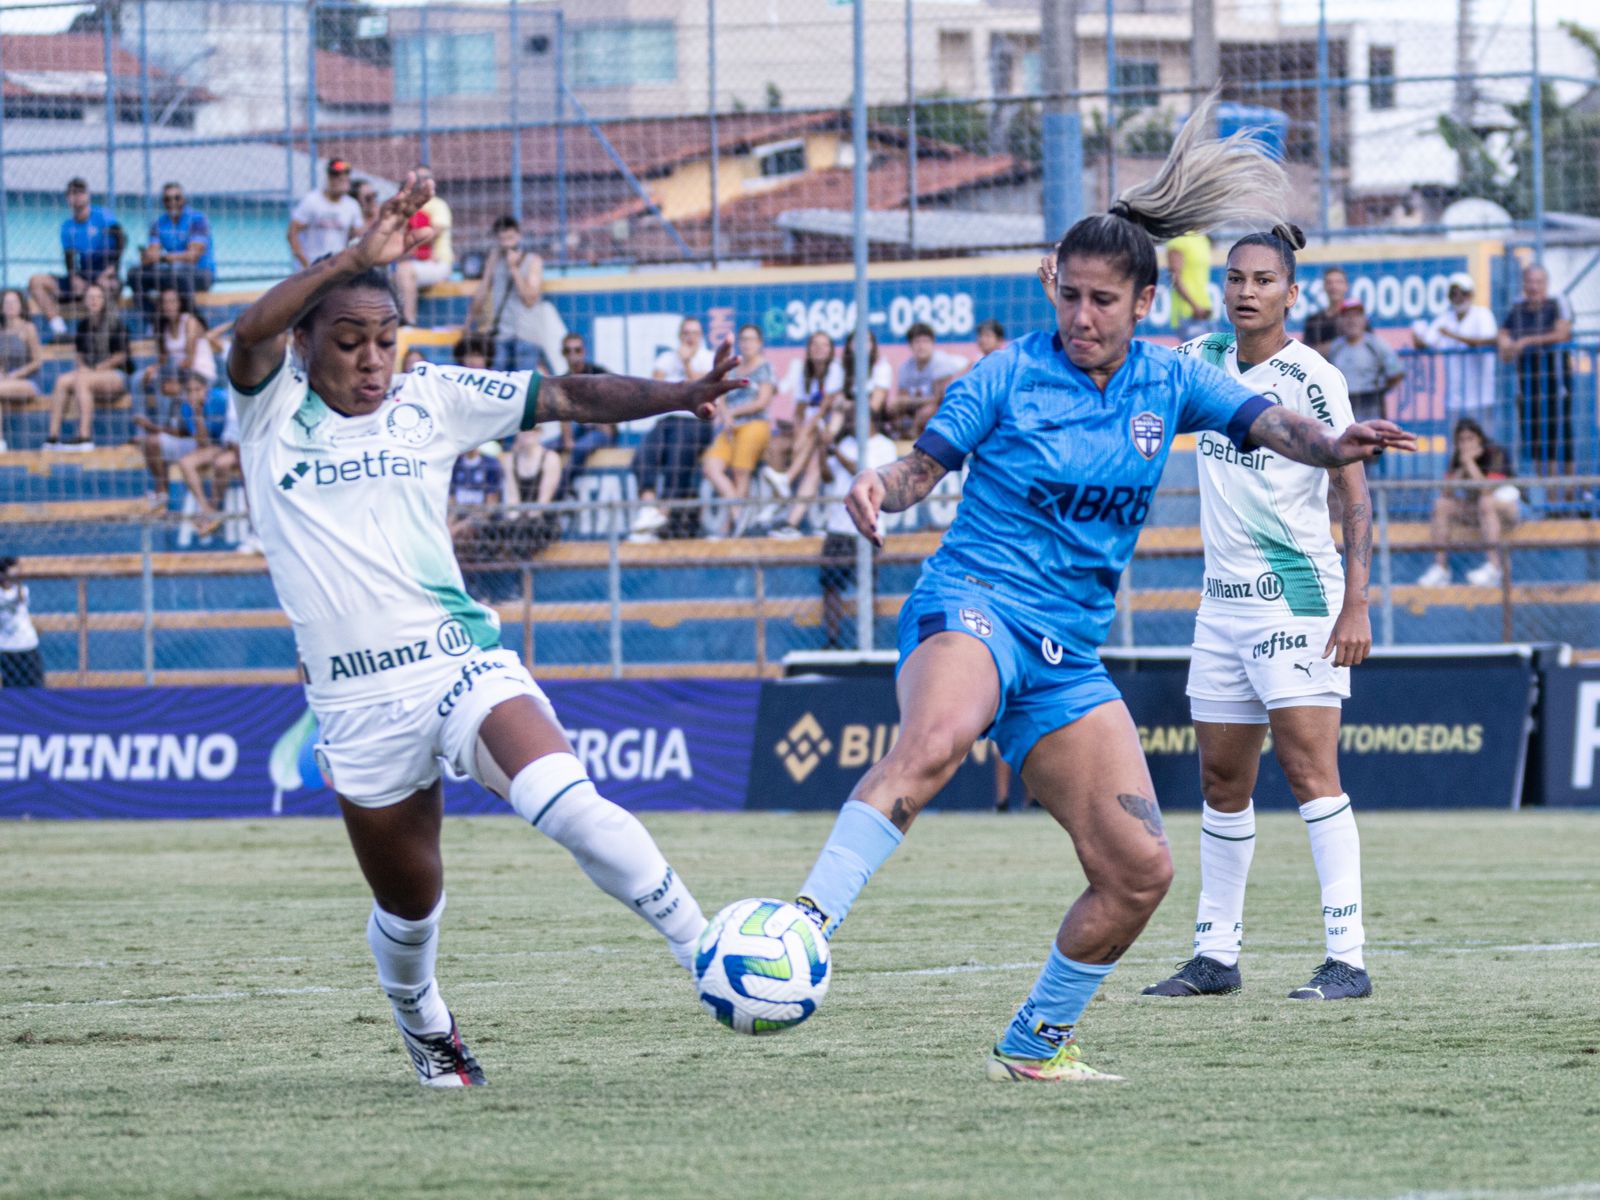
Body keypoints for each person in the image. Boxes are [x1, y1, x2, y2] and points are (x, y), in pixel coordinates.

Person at [784, 98, 1413, 1084]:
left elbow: (1273, 424)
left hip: (1063, 657)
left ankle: (1034, 1045)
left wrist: (1332, 443)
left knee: (1137, 873)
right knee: (936, 739)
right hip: (973, 605)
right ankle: (801, 926)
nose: (1080, 317)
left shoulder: (1169, 383)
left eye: (1101, 301)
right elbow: (923, 465)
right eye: (1068, 296)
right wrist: (882, 485)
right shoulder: (1002, 376)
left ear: (1144, 304)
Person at [224, 172, 745, 1087]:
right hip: (356, 705)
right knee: (412, 905)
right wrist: (352, 258)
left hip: (458, 664)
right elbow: (247, 333)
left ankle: (711, 956)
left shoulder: (433, 398)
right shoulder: (269, 417)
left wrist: (678, 391)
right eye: (348, 342)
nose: (373, 359)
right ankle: (423, 1021)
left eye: (386, 339)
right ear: (307, 346)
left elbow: (570, 397)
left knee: (568, 802)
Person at [1141, 225, 1377, 1005]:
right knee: (1221, 782)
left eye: (1264, 280)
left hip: (1299, 599)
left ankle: (1347, 957)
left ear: (1291, 293)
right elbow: (1122, 377)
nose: (1245, 291)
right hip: (1222, 607)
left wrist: (1356, 602)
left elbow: (1353, 492)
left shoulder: (1314, 378)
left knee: (1311, 774)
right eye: (1236, 277)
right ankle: (1216, 955)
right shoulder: (1197, 362)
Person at [630, 317, 715, 540]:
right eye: (686, 332)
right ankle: (649, 511)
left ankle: (661, 515)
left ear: (701, 336)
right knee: (643, 456)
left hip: (695, 420)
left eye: (695, 333)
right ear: (679, 336)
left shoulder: (708, 358)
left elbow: (703, 391)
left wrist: (687, 365)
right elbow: (655, 390)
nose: (690, 337)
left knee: (677, 460)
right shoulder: (667, 358)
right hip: (667, 419)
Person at [817, 415, 897, 649]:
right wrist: (823, 449)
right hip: (839, 527)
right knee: (830, 586)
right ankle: (832, 640)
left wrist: (835, 451)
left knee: (868, 588)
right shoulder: (845, 444)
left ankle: (867, 641)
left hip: (869, 526)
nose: (851, 423)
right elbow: (827, 476)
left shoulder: (884, 446)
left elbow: (864, 473)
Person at [1498, 263, 1574, 498]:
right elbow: (1503, 337)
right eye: (1529, 282)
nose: (1533, 287)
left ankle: (1570, 500)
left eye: (1538, 282)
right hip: (1528, 388)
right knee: (1537, 446)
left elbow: (1563, 333)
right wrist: (1506, 345)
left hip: (1555, 384)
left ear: (1546, 284)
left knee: (1561, 442)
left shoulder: (1556, 304)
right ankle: (1550, 502)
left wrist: (1527, 341)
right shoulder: (1517, 309)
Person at [1417, 418, 1519, 589]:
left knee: (1486, 501)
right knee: (1441, 505)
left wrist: (1471, 463)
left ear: (1480, 438)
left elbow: (1487, 490)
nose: (1466, 444)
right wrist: (1463, 465)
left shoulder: (1495, 453)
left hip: (1510, 508)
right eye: (1461, 440)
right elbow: (1446, 492)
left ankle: (1494, 568)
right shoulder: (1459, 458)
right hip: (1480, 511)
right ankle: (1440, 569)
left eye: (1470, 438)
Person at [764, 331, 845, 538]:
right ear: (808, 349)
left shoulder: (835, 370)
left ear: (831, 350)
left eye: (824, 345)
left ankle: (786, 485)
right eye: (814, 345)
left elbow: (824, 407)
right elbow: (800, 409)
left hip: (831, 430)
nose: (818, 348)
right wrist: (799, 431)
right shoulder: (803, 372)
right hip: (810, 431)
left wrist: (805, 432)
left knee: (813, 454)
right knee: (776, 446)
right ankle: (781, 509)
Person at [701, 324, 775, 536]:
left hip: (755, 424)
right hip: (731, 427)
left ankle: (729, 527)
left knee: (740, 471)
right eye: (743, 339)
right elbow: (721, 396)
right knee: (711, 466)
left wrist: (736, 412)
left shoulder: (765, 367)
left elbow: (763, 401)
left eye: (752, 339)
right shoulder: (731, 369)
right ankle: (738, 515)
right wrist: (726, 416)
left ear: (760, 343)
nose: (747, 344)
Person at [28, 178, 126, 338]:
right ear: (68, 198)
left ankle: (107, 330)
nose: (77, 197)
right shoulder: (67, 227)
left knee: (111, 286)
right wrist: (74, 277)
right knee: (36, 282)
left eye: (81, 192)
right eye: (73, 193)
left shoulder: (102, 215)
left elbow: (121, 238)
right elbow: (69, 256)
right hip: (83, 273)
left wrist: (112, 268)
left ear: (88, 195)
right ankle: (60, 331)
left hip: (104, 271)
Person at [43, 282, 130, 451]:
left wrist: (95, 369)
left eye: (98, 297)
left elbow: (121, 356)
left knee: (82, 380)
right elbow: (79, 355)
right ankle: (52, 438)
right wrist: (83, 367)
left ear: (104, 300)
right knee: (62, 380)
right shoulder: (83, 325)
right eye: (90, 297)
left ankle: (84, 437)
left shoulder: (116, 323)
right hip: (89, 374)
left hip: (115, 375)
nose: (94, 301)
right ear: (84, 300)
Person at [470, 215, 549, 374]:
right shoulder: (494, 260)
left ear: (519, 236)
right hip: (501, 334)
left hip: (526, 334)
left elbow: (529, 299)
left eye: (510, 238)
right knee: (498, 382)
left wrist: (513, 268)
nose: (507, 243)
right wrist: (468, 324)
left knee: (523, 382)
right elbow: (481, 293)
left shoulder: (533, 261)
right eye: (502, 239)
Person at [1411, 273, 1498, 414]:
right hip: (1455, 399)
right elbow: (1426, 342)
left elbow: (1487, 341)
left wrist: (1453, 335)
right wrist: (1416, 334)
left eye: (1463, 293)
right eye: (1454, 294)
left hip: (1481, 398)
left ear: (1471, 295)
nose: (1458, 298)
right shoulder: (1445, 318)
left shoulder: (1482, 315)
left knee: (1482, 435)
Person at [128, 182, 215, 315]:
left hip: (201, 273)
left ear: (184, 199)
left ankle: (192, 321)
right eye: (167, 199)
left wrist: (162, 257)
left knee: (178, 273)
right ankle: (153, 322)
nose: (172, 202)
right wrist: (147, 257)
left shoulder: (198, 220)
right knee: (135, 274)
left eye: (176, 198)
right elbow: (152, 254)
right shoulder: (158, 224)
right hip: (171, 272)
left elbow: (192, 256)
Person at [134, 368, 203, 508]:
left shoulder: (187, 400)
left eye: (166, 383)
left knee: (153, 441)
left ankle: (162, 491)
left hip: (198, 444)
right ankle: (162, 493)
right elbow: (169, 430)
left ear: (176, 383)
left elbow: (184, 432)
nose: (162, 387)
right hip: (184, 444)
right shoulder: (174, 401)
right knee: (151, 443)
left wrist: (150, 427)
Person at [394, 165, 453, 326]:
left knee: (404, 270)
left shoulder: (438, 205)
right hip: (412, 262)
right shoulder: (406, 205)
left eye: (427, 177)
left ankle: (408, 321)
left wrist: (410, 245)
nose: (423, 182)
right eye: (419, 178)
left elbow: (435, 231)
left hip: (437, 262)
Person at [1327, 299, 1404, 423]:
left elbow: (1396, 372)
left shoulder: (1375, 344)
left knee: (1371, 439)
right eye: (1347, 316)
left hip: (1371, 404)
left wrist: (1381, 388)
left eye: (1356, 316)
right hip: (1344, 404)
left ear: (1364, 319)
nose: (1352, 321)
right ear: (1341, 321)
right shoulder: (1336, 347)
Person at [139, 287, 216, 410]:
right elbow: (163, 360)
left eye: (172, 301)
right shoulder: (163, 328)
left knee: (168, 387)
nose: (168, 305)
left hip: (199, 373)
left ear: (180, 303)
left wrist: (167, 372)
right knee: (141, 378)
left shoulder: (189, 321)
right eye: (165, 302)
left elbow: (189, 361)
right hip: (179, 373)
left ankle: (169, 424)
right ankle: (147, 426)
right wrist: (153, 370)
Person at [885, 324, 964, 439]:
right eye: (917, 342)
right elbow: (902, 397)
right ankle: (899, 437)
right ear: (910, 345)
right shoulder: (905, 367)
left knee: (927, 411)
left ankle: (918, 438)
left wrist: (911, 401)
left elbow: (939, 398)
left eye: (925, 341)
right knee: (893, 408)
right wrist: (902, 403)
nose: (921, 346)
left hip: (943, 407)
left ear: (932, 344)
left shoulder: (942, 362)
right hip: (918, 406)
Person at [557, 333, 616, 472]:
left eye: (577, 350)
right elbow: (562, 414)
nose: (573, 355)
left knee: (579, 448)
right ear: (563, 354)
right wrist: (567, 439)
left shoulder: (599, 373)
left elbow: (617, 399)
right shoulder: (563, 380)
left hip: (601, 430)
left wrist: (605, 423)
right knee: (547, 448)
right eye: (568, 351)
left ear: (584, 351)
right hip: (579, 430)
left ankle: (559, 491)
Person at [288, 159, 362, 269]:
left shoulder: (352, 205)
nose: (341, 178)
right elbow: (292, 233)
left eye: (345, 175)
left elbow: (358, 236)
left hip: (338, 266)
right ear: (328, 177)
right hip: (313, 265)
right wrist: (305, 263)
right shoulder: (312, 201)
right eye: (336, 175)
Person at [0, 289, 45, 453]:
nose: (10, 306)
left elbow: (37, 362)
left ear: (21, 305)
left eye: (14, 302)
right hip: (5, 382)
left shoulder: (29, 328)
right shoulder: (1, 331)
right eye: (7, 302)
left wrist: (14, 375)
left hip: (28, 381)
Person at [447, 442, 505, 549]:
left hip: (483, 521)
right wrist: (448, 528)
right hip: (460, 517)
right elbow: (452, 503)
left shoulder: (491, 464)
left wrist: (459, 527)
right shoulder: (454, 464)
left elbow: (490, 507)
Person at [0, 556, 45, 689]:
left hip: (27, 645)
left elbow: (20, 599)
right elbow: (10, 602)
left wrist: (18, 581)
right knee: (11, 687)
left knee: (35, 686)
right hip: (7, 648)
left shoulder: (22, 590)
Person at [1166, 229, 1214, 340]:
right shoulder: (1178, 240)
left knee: (1213, 356)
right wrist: (1195, 306)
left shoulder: (1202, 238)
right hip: (1188, 313)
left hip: (1205, 311)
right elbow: (1175, 279)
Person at [1300, 265, 1347, 357]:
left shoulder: (1356, 317)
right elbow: (1306, 353)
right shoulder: (1313, 320)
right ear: (1324, 287)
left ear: (1346, 286)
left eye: (1338, 282)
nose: (1334, 286)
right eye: (1329, 282)